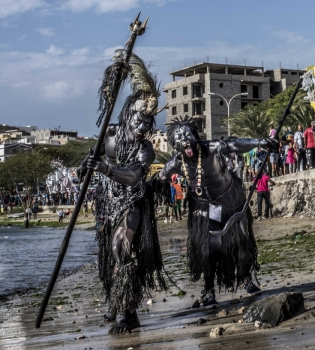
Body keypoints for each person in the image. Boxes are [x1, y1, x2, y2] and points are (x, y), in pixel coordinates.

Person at [79, 52, 166, 333]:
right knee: (108, 254)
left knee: (121, 248)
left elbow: (132, 177)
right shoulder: (111, 132)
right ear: (129, 113)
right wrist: (85, 166)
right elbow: (94, 152)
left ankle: (130, 315)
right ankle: (115, 303)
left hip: (132, 202)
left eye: (148, 124)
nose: (144, 127)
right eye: (140, 120)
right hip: (106, 201)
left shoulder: (146, 149)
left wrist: (103, 168)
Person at [155, 116, 273, 306]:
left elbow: (234, 144)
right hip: (203, 207)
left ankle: (245, 277)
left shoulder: (211, 148)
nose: (185, 139)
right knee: (209, 249)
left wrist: (259, 143)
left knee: (241, 243)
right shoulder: (176, 163)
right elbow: (158, 179)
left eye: (187, 134)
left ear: (196, 135)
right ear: (174, 144)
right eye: (179, 137)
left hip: (231, 200)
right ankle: (209, 289)